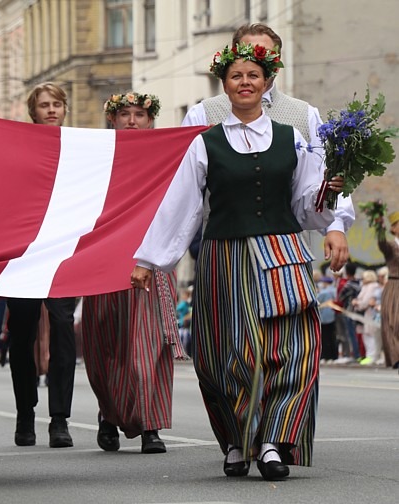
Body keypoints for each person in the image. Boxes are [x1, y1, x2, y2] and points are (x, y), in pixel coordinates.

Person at [131, 42, 344, 480]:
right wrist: (150, 260)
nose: (245, 83)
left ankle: (270, 442)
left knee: (296, 349)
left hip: (284, 254)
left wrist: (331, 204)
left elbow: (307, 206)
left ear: (267, 83)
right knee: (229, 355)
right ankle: (236, 439)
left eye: (253, 76)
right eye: (236, 77)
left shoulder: (293, 138)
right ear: (224, 86)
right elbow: (182, 206)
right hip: (226, 258)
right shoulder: (204, 143)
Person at [0, 83, 77, 447]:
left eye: (57, 104)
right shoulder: (19, 143)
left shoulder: (78, 147)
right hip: (24, 255)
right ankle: (25, 414)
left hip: (63, 253)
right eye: (44, 105)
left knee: (62, 328)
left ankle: (60, 419)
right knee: (22, 334)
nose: (52, 110)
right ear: (33, 111)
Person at [181, 23, 354, 273]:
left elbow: (324, 175)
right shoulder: (202, 114)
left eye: (263, 55)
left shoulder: (304, 114)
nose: (254, 61)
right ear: (231, 58)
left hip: (287, 249)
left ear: (277, 62)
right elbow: (182, 192)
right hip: (225, 249)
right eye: (247, 54)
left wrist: (335, 226)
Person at [82, 92, 184, 454]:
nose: (132, 120)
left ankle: (150, 425)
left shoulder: (168, 157)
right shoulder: (95, 157)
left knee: (148, 345)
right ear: (112, 119)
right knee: (106, 345)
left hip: (153, 263)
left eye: (139, 114)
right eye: (124, 113)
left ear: (151, 119)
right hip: (103, 263)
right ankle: (109, 414)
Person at [377, 211, 399, 372]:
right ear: (394, 228)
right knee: (395, 322)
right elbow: (382, 243)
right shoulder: (391, 246)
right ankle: (396, 356)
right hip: (394, 286)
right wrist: (379, 226)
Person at [353, 270, 381, 365]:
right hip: (366, 313)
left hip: (371, 313)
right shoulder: (365, 286)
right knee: (366, 334)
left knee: (371, 334)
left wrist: (357, 303)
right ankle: (369, 356)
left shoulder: (372, 286)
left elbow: (366, 301)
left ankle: (372, 356)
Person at [317, 276, 339, 362]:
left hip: (324, 317)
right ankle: (334, 355)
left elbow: (317, 300)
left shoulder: (324, 292)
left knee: (325, 338)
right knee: (332, 337)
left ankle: (325, 356)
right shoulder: (334, 290)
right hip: (333, 315)